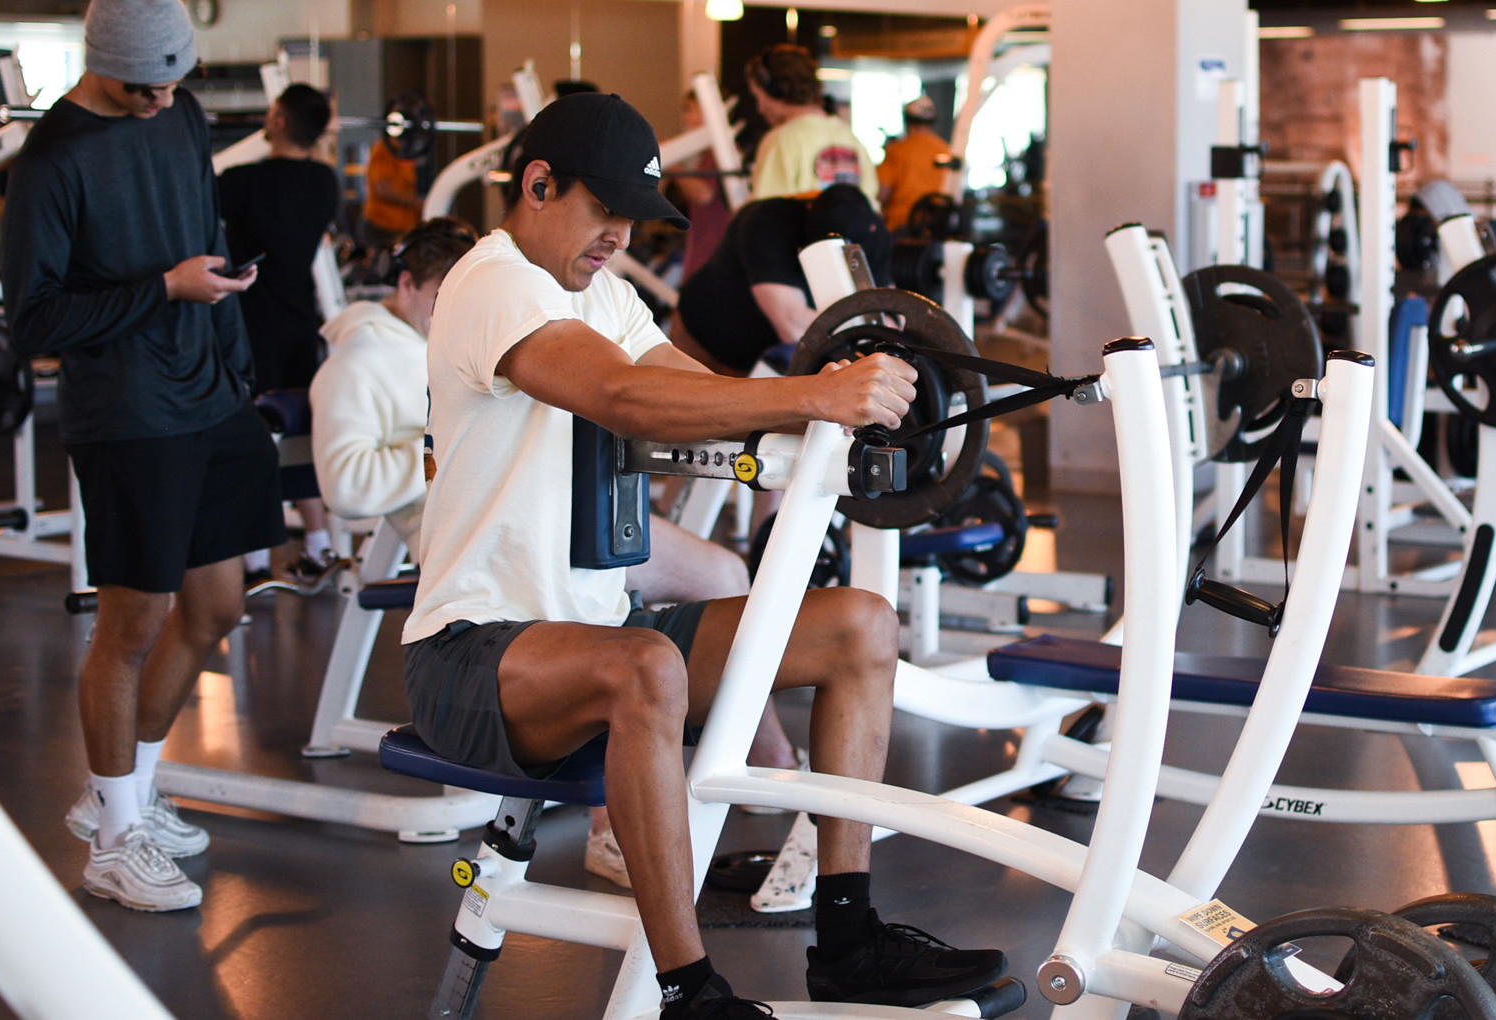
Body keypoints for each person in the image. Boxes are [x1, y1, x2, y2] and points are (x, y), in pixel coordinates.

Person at [405, 92, 1006, 1016]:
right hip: (473, 652)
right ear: (535, 184)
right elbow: (623, 398)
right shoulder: (492, 284)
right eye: (602, 209)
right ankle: (690, 991)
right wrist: (816, 394)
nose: (617, 236)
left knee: (860, 625)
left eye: (630, 217)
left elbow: (680, 383)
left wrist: (809, 423)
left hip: (593, 627)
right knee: (643, 665)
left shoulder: (598, 290)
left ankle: (848, 939)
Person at [309, 217, 799, 886]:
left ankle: (760, 757)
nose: (448, 305)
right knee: (612, 645)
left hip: (563, 513)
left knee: (722, 570)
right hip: (469, 534)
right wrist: (447, 444)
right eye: (437, 293)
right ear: (408, 287)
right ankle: (612, 831)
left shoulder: (540, 315)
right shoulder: (363, 359)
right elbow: (344, 482)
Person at [2, 0, 278, 912]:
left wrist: (233, 350)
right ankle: (113, 844)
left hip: (209, 392)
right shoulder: (53, 160)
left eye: (175, 80)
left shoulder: (183, 112)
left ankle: (124, 794)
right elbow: (35, 320)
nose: (164, 100)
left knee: (218, 605)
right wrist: (164, 289)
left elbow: (207, 231)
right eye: (145, 84)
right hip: (125, 411)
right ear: (99, 61)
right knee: (135, 619)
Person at [218, 82, 344, 590]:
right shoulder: (324, 182)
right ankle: (317, 544)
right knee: (298, 436)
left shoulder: (240, 180)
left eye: (271, 113)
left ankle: (252, 559)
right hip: (300, 325)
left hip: (253, 327)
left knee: (253, 439)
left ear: (280, 122)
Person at [672, 184, 890, 376]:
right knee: (679, 412)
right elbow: (792, 327)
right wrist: (862, 335)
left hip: (754, 361)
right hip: (699, 338)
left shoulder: (872, 233)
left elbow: (888, 310)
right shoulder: (766, 220)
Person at [744, 44, 878, 204]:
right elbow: (870, 200)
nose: (760, 109)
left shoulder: (780, 140)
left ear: (776, 89)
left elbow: (765, 214)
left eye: (759, 97)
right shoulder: (849, 137)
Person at [669, 87, 733, 283]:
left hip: (714, 247)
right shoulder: (707, 155)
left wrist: (671, 164)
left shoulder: (721, 153)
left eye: (691, 110)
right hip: (703, 243)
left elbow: (704, 195)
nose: (687, 118)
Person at [876, 95, 952, 234]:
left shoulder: (896, 150)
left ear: (907, 121)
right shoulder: (946, 150)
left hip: (901, 228)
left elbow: (882, 193)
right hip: (938, 229)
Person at [358, 91, 425, 248]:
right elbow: (383, 189)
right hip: (382, 227)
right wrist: (416, 203)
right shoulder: (384, 150)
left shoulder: (407, 152)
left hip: (404, 228)